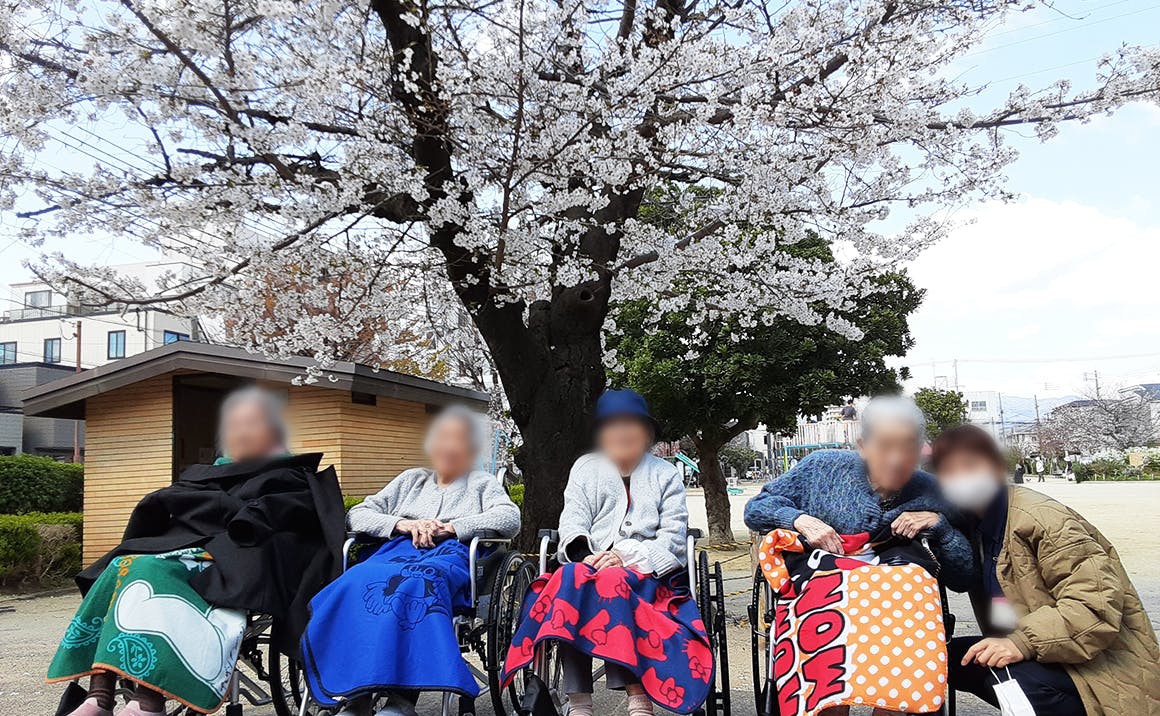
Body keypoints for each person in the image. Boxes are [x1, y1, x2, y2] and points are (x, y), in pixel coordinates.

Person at [48, 387, 345, 716]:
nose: (241, 432)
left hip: (237, 558)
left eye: (252, 424)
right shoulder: (208, 474)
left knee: (152, 571)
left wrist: (230, 514)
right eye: (235, 426)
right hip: (188, 548)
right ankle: (99, 695)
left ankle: (149, 700)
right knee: (123, 565)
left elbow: (288, 520)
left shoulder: (292, 475)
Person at [501, 389, 712, 716]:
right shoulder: (585, 468)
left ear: (647, 434)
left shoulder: (665, 473)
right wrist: (585, 554)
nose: (622, 432)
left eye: (632, 424)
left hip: (647, 576)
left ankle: (637, 696)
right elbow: (573, 519)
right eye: (613, 425)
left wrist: (627, 557)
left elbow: (673, 535)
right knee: (571, 579)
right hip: (590, 564)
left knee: (612, 582)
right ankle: (578, 700)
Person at [301, 406, 521, 716]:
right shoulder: (410, 480)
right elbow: (357, 514)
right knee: (355, 582)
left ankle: (401, 699)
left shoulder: (482, 483)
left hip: (448, 554)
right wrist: (402, 524)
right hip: (396, 551)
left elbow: (509, 518)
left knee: (415, 586)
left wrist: (452, 527)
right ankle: (357, 697)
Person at [931, 424, 1160, 716]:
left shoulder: (1041, 518)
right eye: (948, 471)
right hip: (1046, 652)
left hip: (1098, 669)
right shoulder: (973, 521)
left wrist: (1021, 642)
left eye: (971, 466)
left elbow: (1095, 606)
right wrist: (935, 525)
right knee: (937, 659)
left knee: (1007, 677)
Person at [744, 395, 975, 591]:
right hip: (821, 601)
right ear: (863, 446)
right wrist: (800, 520)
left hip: (898, 609)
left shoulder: (935, 491)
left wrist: (941, 527)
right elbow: (756, 509)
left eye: (908, 447)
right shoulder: (822, 466)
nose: (896, 459)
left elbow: (963, 579)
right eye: (885, 446)